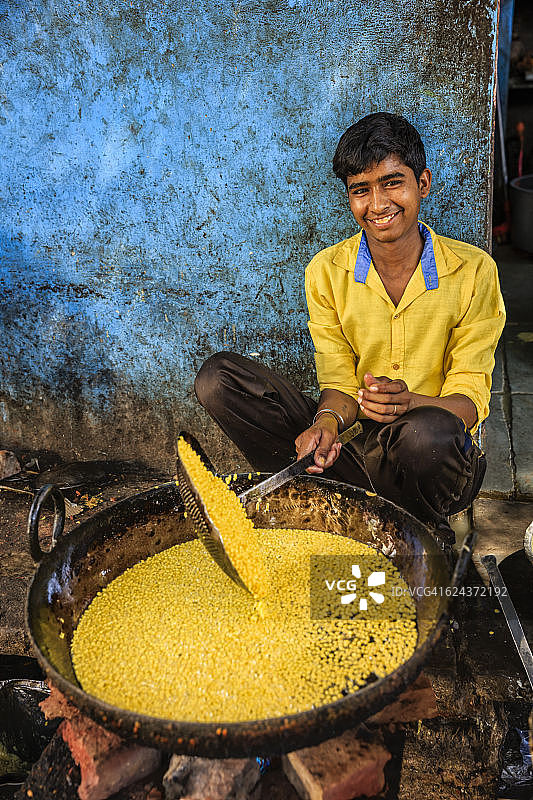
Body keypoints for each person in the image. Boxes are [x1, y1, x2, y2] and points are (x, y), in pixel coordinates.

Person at [194, 112, 506, 538]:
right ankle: (329, 498)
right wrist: (325, 425)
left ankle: (419, 528)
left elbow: (469, 401)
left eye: (392, 183)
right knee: (219, 380)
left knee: (426, 432)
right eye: (361, 190)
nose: (377, 205)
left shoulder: (473, 271)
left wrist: (408, 404)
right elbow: (339, 383)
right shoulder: (326, 271)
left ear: (423, 184)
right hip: (357, 452)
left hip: (434, 460)